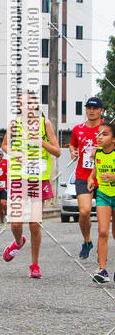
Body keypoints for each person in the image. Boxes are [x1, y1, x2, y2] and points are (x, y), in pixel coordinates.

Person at [2, 92, 61, 278]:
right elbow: (4, 145)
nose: (27, 106)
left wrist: (41, 142)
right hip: (20, 178)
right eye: (23, 103)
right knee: (16, 224)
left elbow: (57, 151)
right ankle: (18, 242)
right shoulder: (14, 124)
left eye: (30, 102)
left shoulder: (45, 124)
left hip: (38, 179)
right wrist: (14, 154)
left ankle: (35, 265)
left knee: (35, 224)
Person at [69, 96, 104, 259]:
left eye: (95, 108)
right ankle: (87, 241)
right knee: (84, 211)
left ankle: (102, 245)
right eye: (89, 107)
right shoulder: (78, 128)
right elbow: (73, 143)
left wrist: (102, 149)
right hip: (83, 175)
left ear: (101, 111)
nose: (91, 111)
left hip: (103, 176)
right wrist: (72, 151)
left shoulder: (107, 129)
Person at [87, 121, 115, 284]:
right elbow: (95, 171)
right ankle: (102, 270)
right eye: (98, 133)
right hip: (103, 195)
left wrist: (113, 177)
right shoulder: (97, 153)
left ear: (113, 139)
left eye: (105, 134)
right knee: (103, 231)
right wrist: (91, 179)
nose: (99, 137)